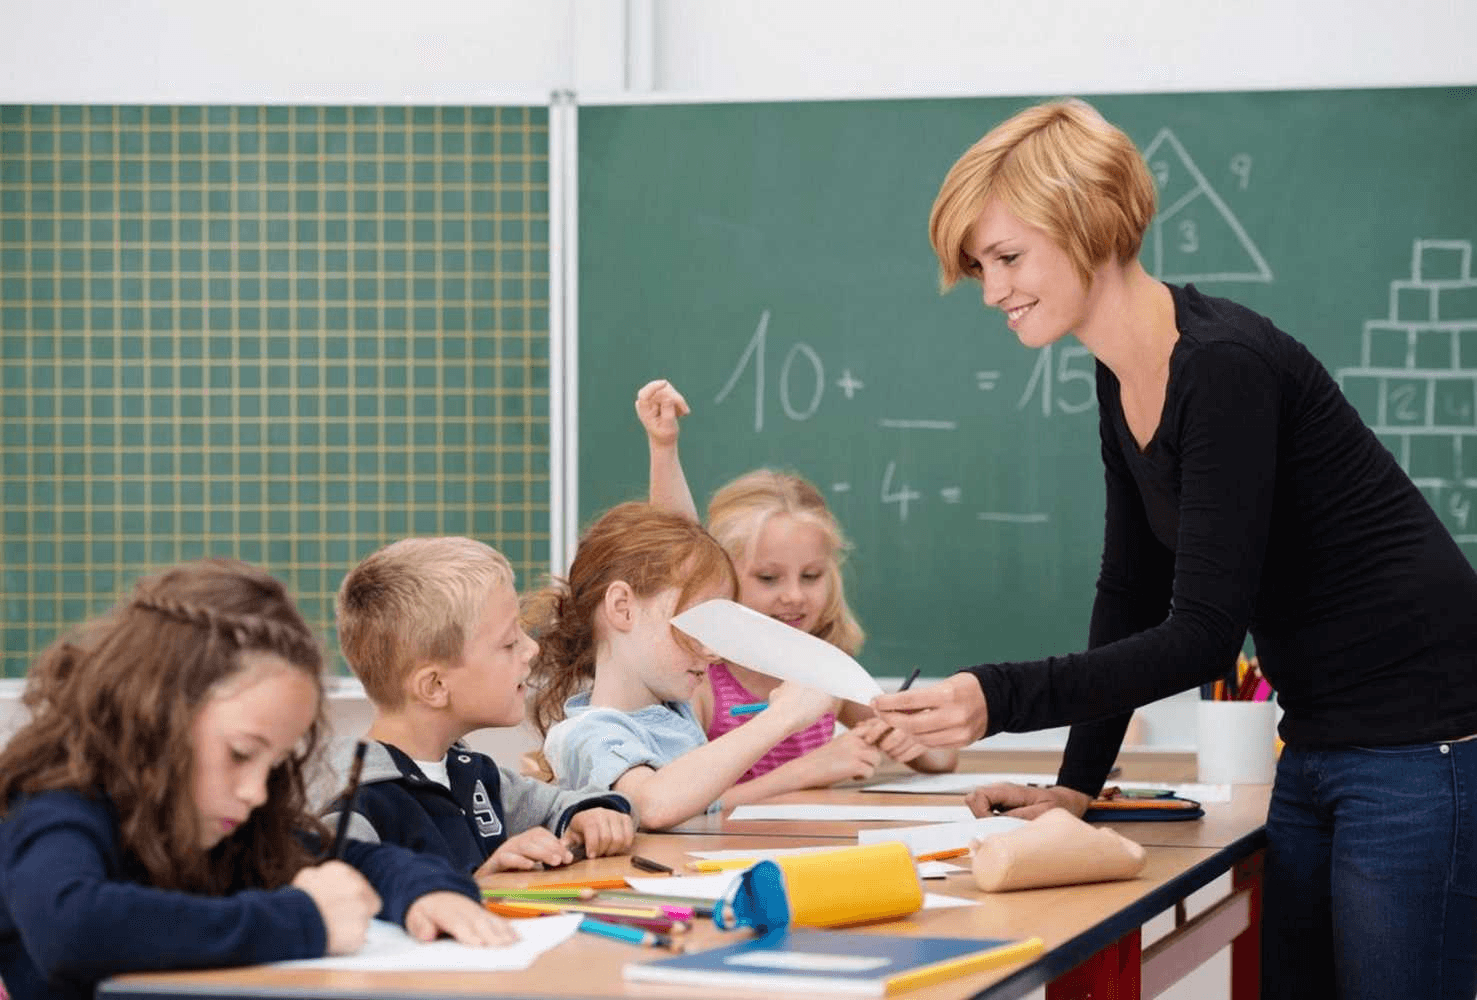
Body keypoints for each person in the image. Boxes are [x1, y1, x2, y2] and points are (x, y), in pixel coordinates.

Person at [869, 97, 1477, 1000]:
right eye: (978, 267)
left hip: (1419, 743)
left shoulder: (1222, 365)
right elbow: (1129, 590)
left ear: (1084, 222)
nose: (991, 291)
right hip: (1319, 740)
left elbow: (1202, 636)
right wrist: (1076, 787)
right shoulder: (1121, 376)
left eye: (1006, 258)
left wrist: (994, 697)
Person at [0, 559, 513, 1000]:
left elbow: (354, 858)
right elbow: (73, 928)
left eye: (272, 765)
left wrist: (427, 891)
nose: (256, 792)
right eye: (240, 753)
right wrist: (305, 920)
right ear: (154, 716)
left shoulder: (223, 822)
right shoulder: (56, 807)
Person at [636, 379, 958, 786]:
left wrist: (912, 739)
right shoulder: (701, 681)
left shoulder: (826, 671)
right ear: (719, 579)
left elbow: (944, 758)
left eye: (811, 576)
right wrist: (807, 771)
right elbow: (675, 804)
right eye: (768, 578)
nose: (793, 595)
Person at [325, 537, 636, 879]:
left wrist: (590, 815)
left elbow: (558, 804)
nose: (531, 649)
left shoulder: (471, 773)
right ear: (435, 686)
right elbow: (339, 903)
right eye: (509, 643)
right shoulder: (357, 806)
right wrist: (482, 883)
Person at [524, 502, 837, 829]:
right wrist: (782, 716)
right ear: (623, 608)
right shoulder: (589, 734)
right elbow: (651, 806)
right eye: (698, 624)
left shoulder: (674, 714)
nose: (713, 651)